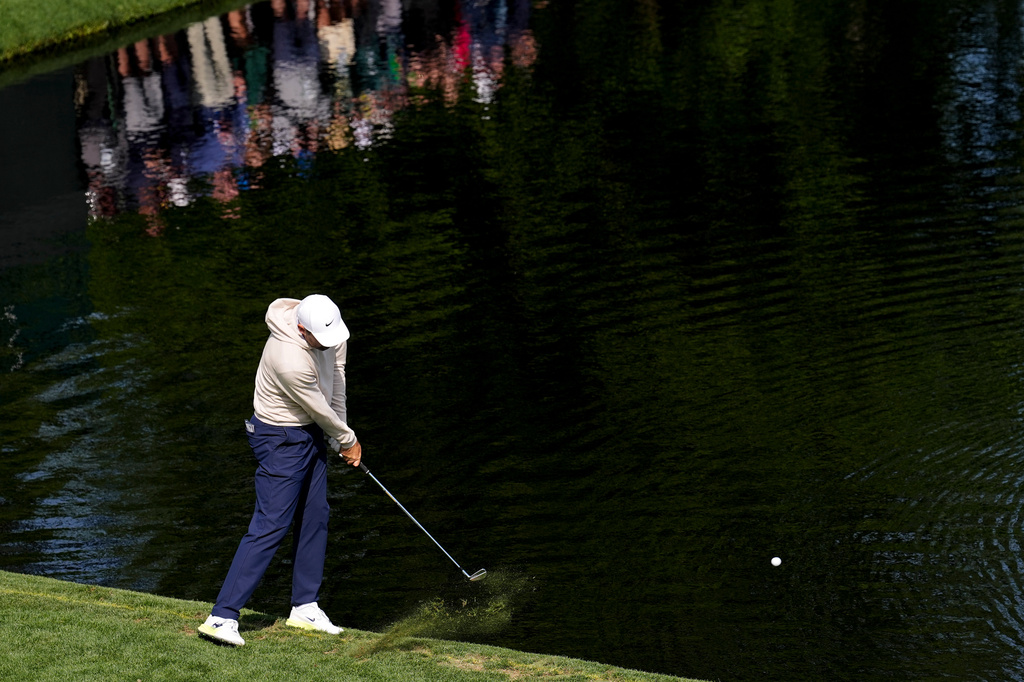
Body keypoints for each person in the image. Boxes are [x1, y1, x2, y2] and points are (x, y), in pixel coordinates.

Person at [198, 294, 362, 647]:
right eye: (324, 341)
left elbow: (336, 378)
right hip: (279, 438)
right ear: (302, 330)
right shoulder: (287, 357)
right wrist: (346, 439)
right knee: (271, 523)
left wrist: (340, 435)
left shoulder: (331, 330)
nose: (333, 344)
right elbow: (316, 405)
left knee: (316, 515)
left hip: (312, 429)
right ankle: (221, 616)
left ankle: (305, 606)